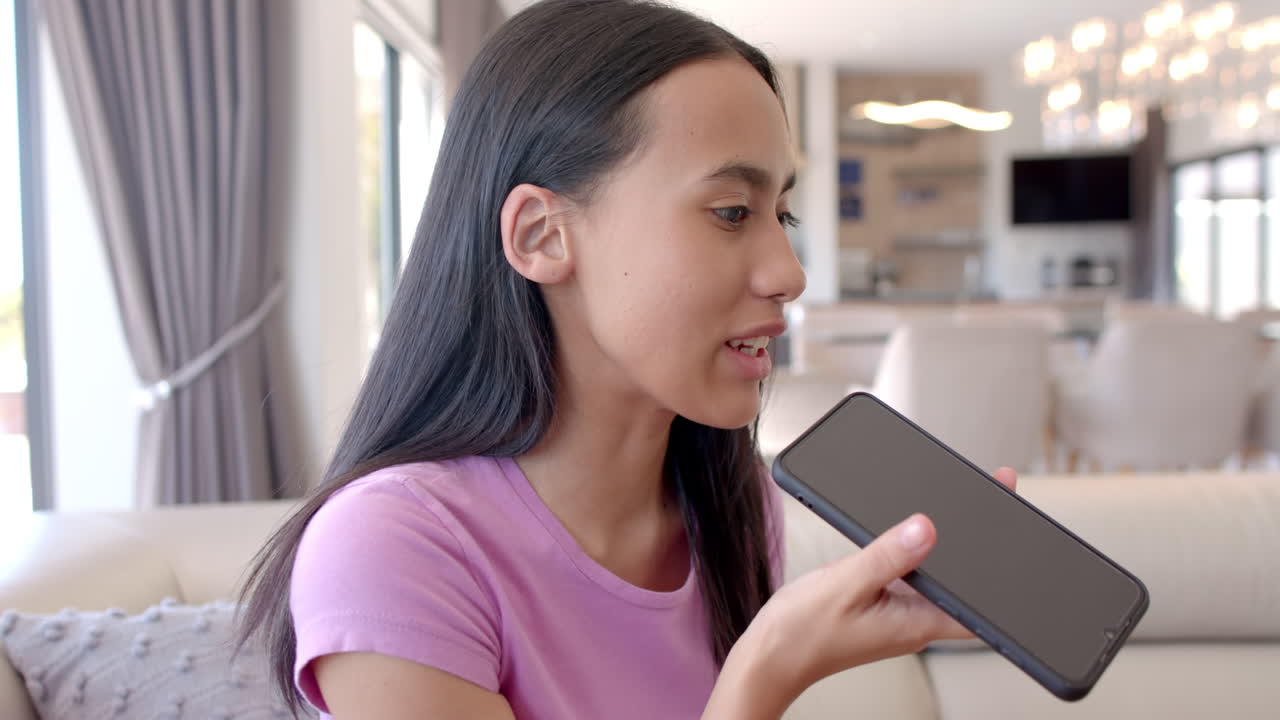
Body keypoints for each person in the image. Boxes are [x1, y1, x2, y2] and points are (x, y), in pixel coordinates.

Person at [236, 1, 1018, 718]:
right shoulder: (394, 547)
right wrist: (766, 668)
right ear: (543, 236)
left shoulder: (732, 503)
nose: (789, 273)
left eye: (780, 214)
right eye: (732, 212)